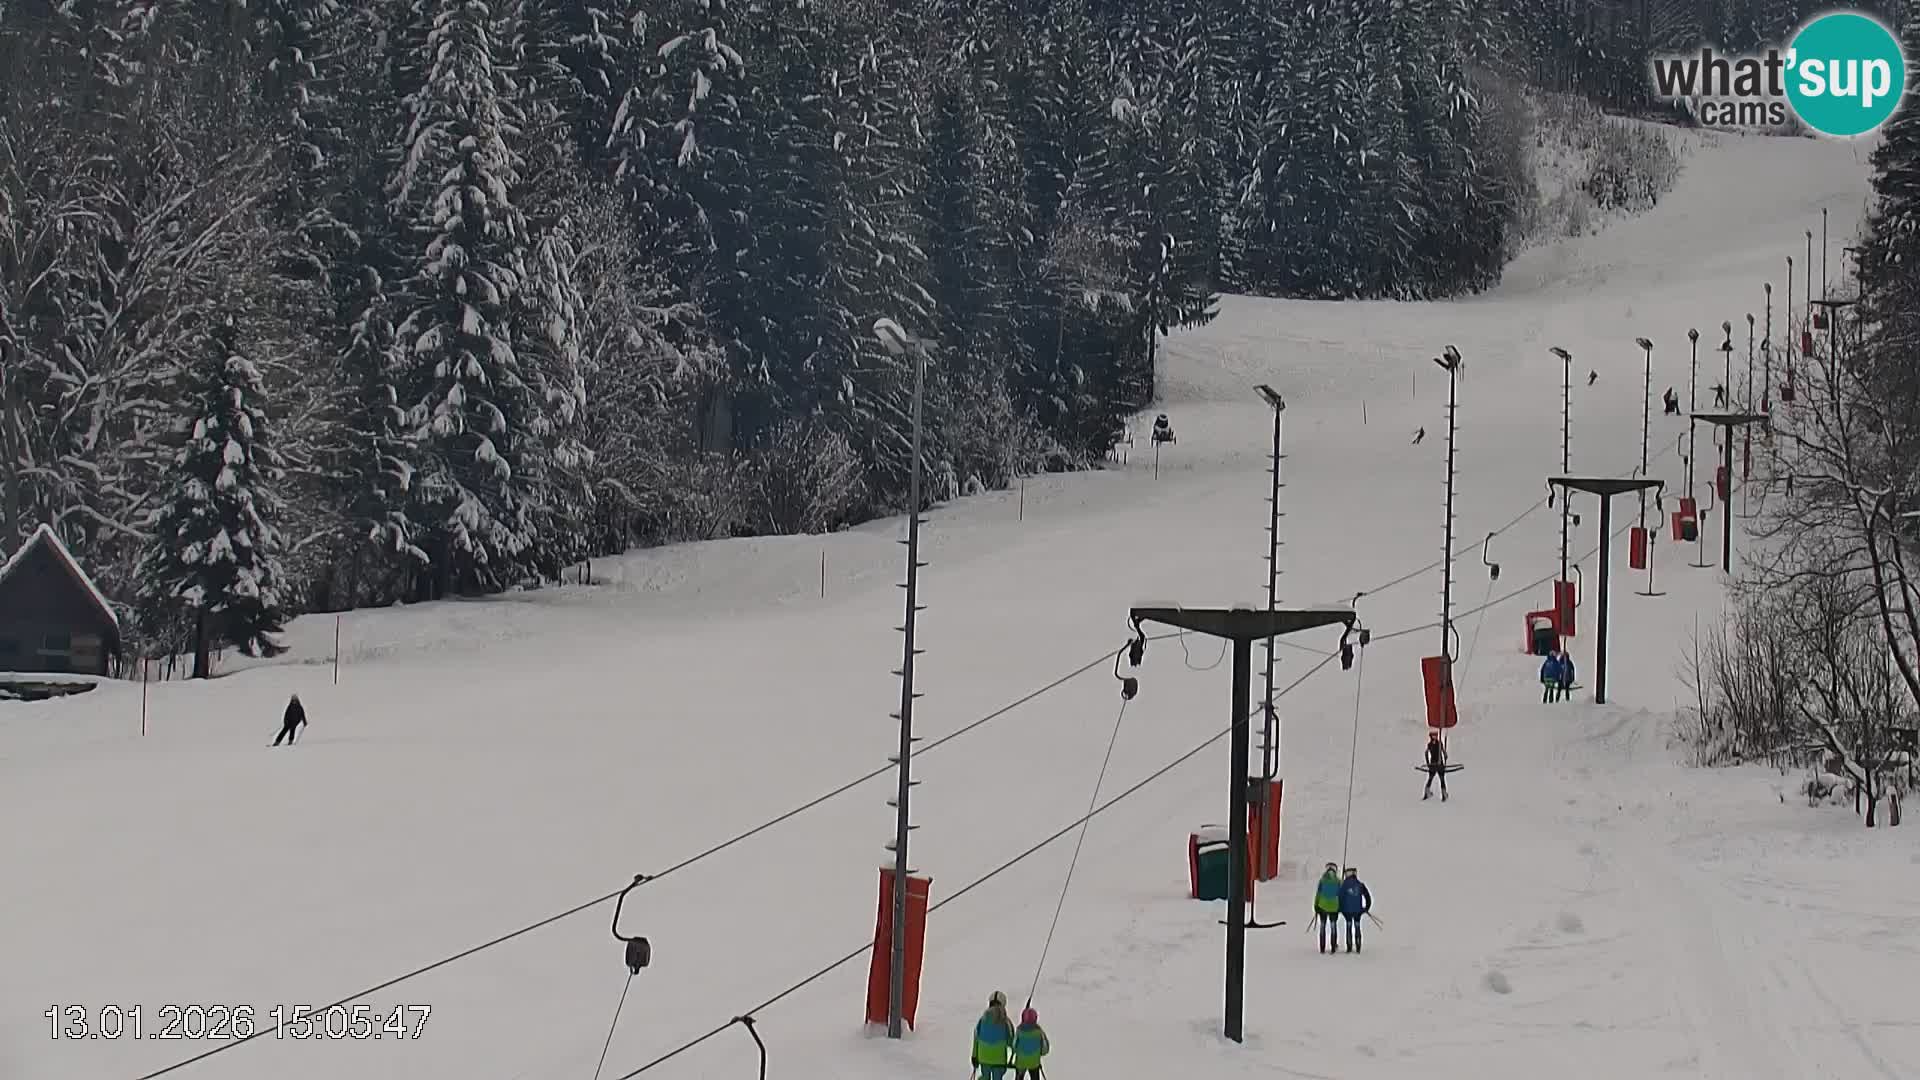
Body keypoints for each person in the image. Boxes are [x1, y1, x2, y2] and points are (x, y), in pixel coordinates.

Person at [972, 991, 1015, 1080]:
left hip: (983, 1057)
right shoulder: (1006, 1021)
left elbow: (976, 1038)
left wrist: (974, 1056)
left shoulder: (982, 1019)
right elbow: (1011, 1042)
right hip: (999, 1060)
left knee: (985, 1076)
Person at [1338, 867, 1372, 953]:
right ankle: (1358, 946)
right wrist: (1366, 908)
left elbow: (1340, 898)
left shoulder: (1344, 885)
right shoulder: (1360, 885)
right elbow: (1367, 897)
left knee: (1349, 927)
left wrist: (1341, 909)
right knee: (1357, 927)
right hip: (1358, 911)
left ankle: (1349, 947)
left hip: (1347, 911)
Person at [1012, 1007, 1049, 1080]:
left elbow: (1014, 1045)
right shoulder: (1039, 1032)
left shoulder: (1019, 1031)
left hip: (1021, 1062)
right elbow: (1045, 1049)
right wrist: (1039, 1053)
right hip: (1034, 1062)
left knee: (1019, 1077)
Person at [1313, 862, 1342, 954]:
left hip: (1322, 907)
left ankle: (1322, 947)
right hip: (1334, 907)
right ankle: (1333, 947)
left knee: (1322, 926)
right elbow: (1341, 895)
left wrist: (1316, 906)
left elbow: (1318, 894)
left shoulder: (1322, 881)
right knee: (1333, 926)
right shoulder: (1338, 881)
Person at [1423, 731, 1449, 802]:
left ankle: (1429, 792)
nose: (1435, 737)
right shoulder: (1438, 744)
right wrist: (1445, 757)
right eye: (1434, 735)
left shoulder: (1432, 744)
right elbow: (1444, 753)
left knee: (1434, 778)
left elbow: (1426, 754)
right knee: (1440, 779)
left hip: (1434, 764)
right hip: (1437, 764)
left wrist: (1428, 763)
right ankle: (1442, 793)